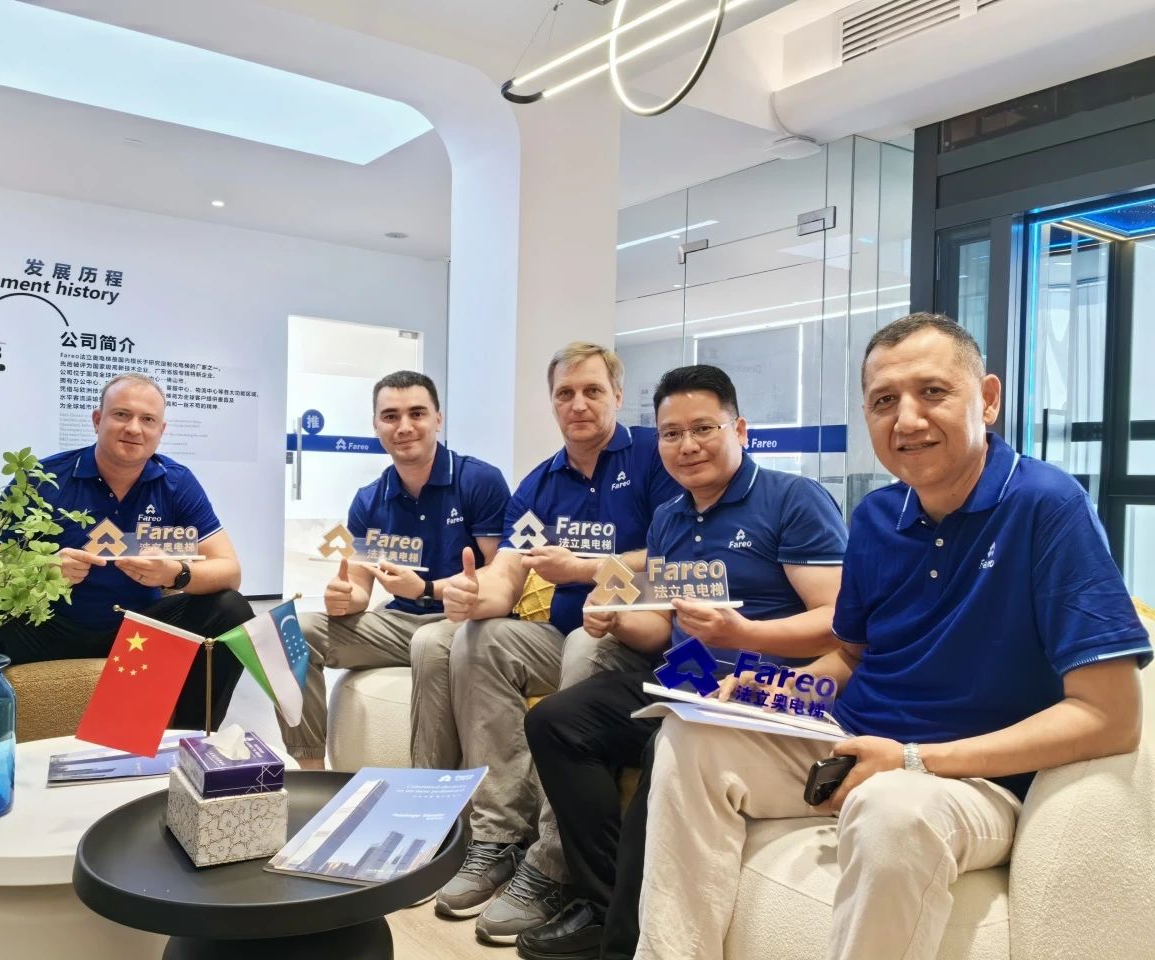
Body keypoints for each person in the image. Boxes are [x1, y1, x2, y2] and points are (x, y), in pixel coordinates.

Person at [635, 314, 1152, 960]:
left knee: (891, 812)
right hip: (851, 741)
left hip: (970, 777)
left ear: (987, 398)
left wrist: (914, 760)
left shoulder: (1048, 506)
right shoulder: (879, 515)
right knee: (691, 735)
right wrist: (773, 690)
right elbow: (854, 654)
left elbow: (1111, 716)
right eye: (884, 402)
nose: (907, 419)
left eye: (932, 392)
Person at [517, 364, 848, 959]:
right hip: (688, 681)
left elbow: (840, 622)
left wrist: (746, 633)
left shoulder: (792, 500)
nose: (687, 445)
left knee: (668, 743)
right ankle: (601, 903)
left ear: (739, 430)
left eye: (703, 428)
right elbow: (662, 630)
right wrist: (617, 619)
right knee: (556, 721)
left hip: (773, 688)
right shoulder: (669, 517)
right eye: (671, 433)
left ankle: (625, 940)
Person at [438, 342, 681, 938]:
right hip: (566, 632)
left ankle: (552, 862)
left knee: (584, 647)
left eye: (592, 390)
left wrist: (588, 568)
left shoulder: (654, 457)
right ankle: (497, 838)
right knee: (479, 639)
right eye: (565, 393)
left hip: (644, 639)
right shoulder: (540, 484)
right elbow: (508, 574)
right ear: (551, 403)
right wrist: (474, 598)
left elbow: (674, 552)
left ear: (617, 396)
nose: (578, 404)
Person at [0, 372, 252, 730]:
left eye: (147, 419)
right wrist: (40, 570)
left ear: (161, 430)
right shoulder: (44, 477)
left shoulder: (176, 481)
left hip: (136, 630)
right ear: (97, 420)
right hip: (48, 627)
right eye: (121, 414)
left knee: (231, 609)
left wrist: (175, 573)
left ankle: (190, 738)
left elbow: (229, 570)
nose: (134, 428)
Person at [279, 371, 510, 770]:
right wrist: (342, 597)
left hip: (464, 624)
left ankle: (430, 788)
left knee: (429, 642)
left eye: (416, 413)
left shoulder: (479, 481)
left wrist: (427, 589)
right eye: (390, 416)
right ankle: (313, 775)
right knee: (289, 632)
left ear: (438, 418)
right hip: (399, 624)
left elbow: (500, 577)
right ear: (376, 425)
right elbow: (359, 590)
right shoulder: (369, 499)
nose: (404, 427)